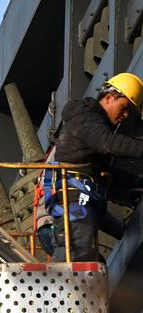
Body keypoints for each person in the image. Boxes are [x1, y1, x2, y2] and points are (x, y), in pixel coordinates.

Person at [48, 72, 143, 261]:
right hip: (75, 199)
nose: (125, 115)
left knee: (93, 263)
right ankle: (61, 287)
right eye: (124, 108)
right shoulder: (86, 119)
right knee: (76, 253)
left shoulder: (92, 128)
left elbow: (105, 176)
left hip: (82, 198)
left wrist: (132, 190)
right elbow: (108, 142)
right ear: (109, 98)